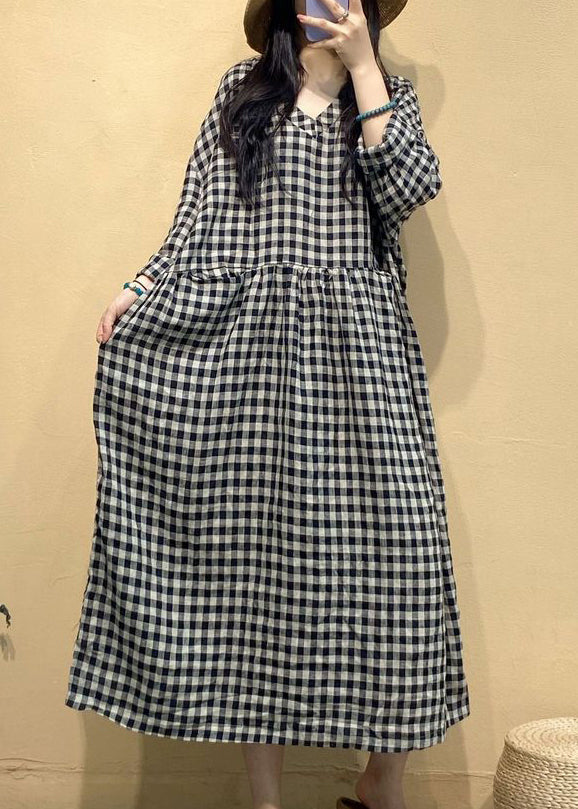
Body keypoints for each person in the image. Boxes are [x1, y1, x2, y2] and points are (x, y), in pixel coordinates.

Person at [65, 1, 470, 808]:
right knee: (253, 570)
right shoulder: (242, 94)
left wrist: (364, 68)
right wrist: (142, 285)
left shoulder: (387, 93)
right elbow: (198, 220)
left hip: (361, 357)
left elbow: (408, 190)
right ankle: (267, 801)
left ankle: (381, 782)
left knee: (403, 563)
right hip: (250, 357)